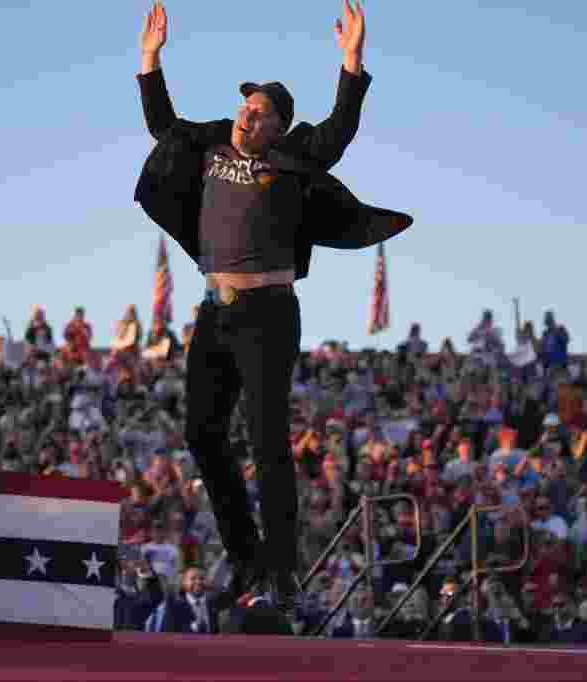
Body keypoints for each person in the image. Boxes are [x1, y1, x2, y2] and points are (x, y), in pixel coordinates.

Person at [133, 0, 412, 626]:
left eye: (257, 111)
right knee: (201, 433)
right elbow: (163, 126)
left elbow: (338, 131)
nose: (244, 115)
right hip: (214, 309)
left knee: (267, 442)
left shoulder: (295, 158)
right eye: (243, 106)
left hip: (269, 312)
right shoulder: (208, 144)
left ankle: (283, 574)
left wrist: (351, 61)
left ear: (278, 125)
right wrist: (150, 60)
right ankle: (248, 558)